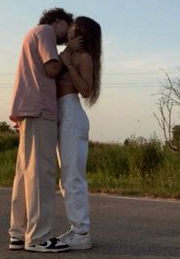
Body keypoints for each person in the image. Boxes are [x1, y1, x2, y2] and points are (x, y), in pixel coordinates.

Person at [8, 8, 82, 253]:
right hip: (39, 110)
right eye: (67, 27)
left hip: (28, 109)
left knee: (24, 175)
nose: (67, 34)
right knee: (41, 173)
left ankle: (18, 234)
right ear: (57, 20)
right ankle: (39, 237)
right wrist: (69, 51)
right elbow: (51, 69)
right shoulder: (46, 32)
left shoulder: (32, 34)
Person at [56, 16, 102, 250]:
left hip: (72, 114)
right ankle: (77, 228)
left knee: (73, 175)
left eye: (74, 26)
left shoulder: (83, 58)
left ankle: (82, 231)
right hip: (63, 114)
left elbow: (86, 90)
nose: (70, 28)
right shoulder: (69, 54)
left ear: (82, 33)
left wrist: (69, 64)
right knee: (67, 176)